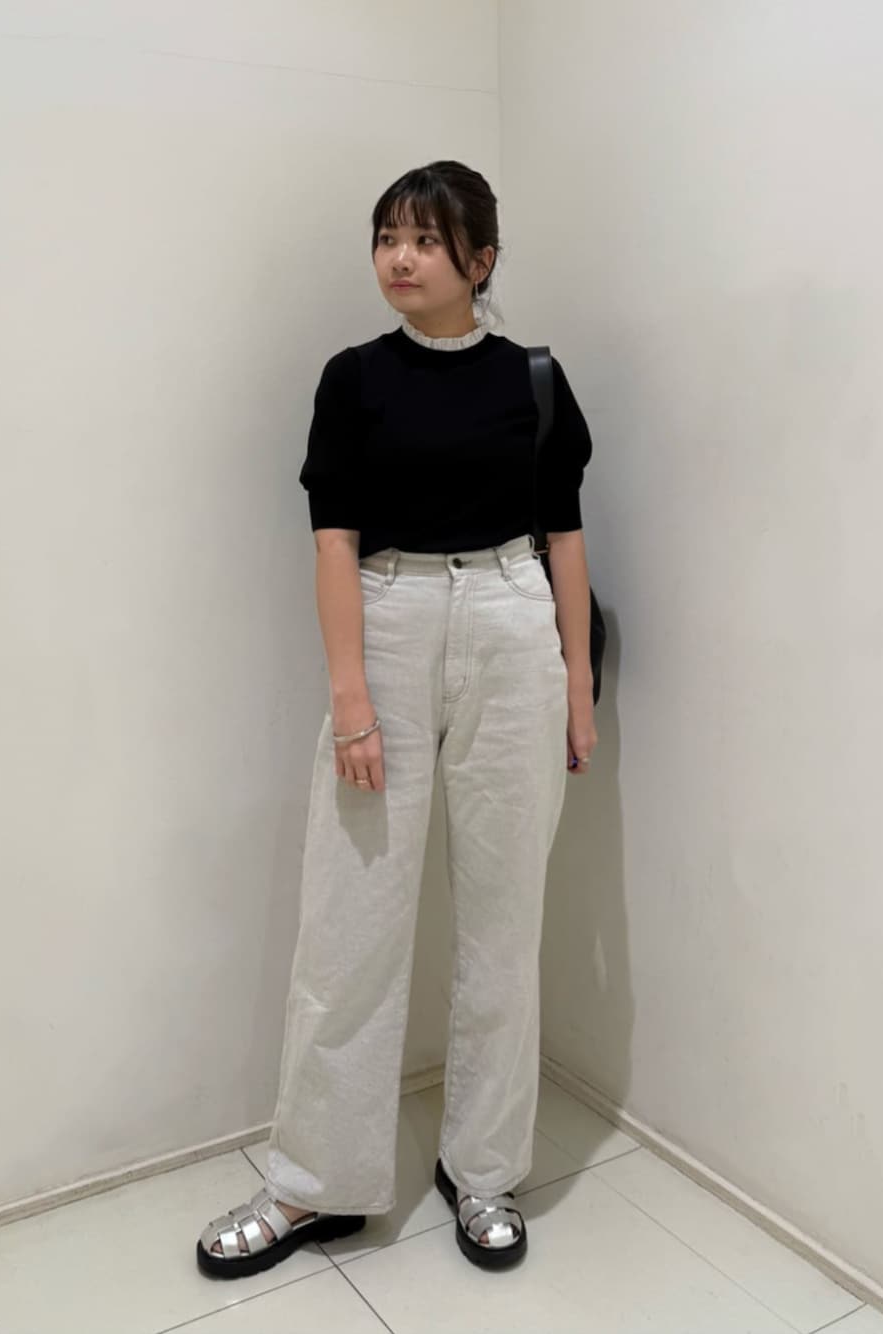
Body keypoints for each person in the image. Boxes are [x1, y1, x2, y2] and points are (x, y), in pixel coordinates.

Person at [196, 160, 597, 1279]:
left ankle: (484, 1172)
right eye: (386, 237)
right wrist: (351, 699)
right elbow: (333, 537)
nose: (400, 258)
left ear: (481, 258)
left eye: (424, 239)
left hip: (513, 618)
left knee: (504, 922)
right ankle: (312, 1183)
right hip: (389, 614)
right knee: (351, 921)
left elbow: (565, 532)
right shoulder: (355, 376)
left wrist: (575, 684)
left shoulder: (535, 379)